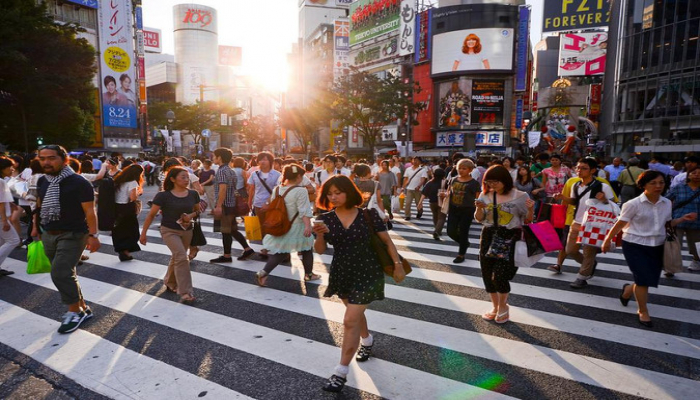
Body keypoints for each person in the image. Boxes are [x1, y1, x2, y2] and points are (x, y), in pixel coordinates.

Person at [313, 175, 405, 392]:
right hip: (342, 272)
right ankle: (367, 339)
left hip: (368, 272)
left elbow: (387, 241)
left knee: (349, 320)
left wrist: (397, 263)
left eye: (338, 192)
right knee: (354, 314)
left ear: (349, 192)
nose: (334, 197)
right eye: (330, 193)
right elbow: (319, 250)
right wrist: (319, 236)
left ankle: (340, 372)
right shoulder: (325, 218)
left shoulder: (368, 214)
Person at [602, 170, 697, 327]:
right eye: (653, 183)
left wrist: (681, 219)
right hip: (634, 244)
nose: (658, 186)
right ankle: (643, 311)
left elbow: (666, 224)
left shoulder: (666, 203)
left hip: (658, 245)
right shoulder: (632, 204)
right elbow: (619, 223)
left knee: (648, 278)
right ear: (643, 185)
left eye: (661, 182)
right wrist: (607, 239)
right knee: (644, 280)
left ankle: (627, 290)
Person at [31, 145, 100, 333]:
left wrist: (93, 235)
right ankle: (83, 307)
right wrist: (36, 227)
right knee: (66, 273)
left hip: (73, 234)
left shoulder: (79, 182)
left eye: (51, 158)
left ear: (64, 159)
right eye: (42, 158)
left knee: (60, 272)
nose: (46, 162)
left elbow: (89, 211)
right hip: (48, 233)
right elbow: (39, 205)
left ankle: (74, 311)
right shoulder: (42, 181)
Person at [474, 165, 535, 324]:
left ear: (505, 180)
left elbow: (528, 220)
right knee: (487, 273)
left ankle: (503, 306)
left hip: (509, 236)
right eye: (489, 182)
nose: (492, 185)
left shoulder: (520, 196)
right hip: (488, 235)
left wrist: (531, 210)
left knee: (500, 275)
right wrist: (479, 209)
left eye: (495, 182)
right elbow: (479, 218)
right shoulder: (485, 195)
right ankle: (495, 307)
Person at [140, 166, 200, 303]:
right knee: (182, 257)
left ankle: (169, 281)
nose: (186, 180)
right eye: (183, 177)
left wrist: (190, 215)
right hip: (169, 230)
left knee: (177, 257)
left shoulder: (193, 194)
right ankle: (185, 291)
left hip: (187, 230)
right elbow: (151, 215)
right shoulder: (163, 195)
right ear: (172, 179)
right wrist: (143, 233)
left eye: (187, 177)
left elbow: (198, 211)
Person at [554, 158, 616, 288]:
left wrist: (604, 199)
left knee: (589, 252)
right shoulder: (576, 185)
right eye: (578, 168)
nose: (579, 171)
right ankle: (589, 265)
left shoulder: (602, 186)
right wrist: (563, 198)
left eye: (583, 168)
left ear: (593, 170)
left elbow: (613, 205)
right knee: (570, 250)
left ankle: (582, 276)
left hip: (593, 224)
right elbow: (574, 201)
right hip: (576, 222)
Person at [254, 164, 320, 285]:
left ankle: (263, 272)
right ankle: (309, 274)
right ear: (299, 176)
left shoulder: (278, 189)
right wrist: (307, 226)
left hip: (282, 225)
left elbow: (273, 204)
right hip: (298, 226)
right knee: (306, 249)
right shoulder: (301, 191)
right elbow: (304, 210)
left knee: (282, 252)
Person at [210, 148, 255, 263]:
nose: (213, 158)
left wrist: (219, 206)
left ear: (219, 157)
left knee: (226, 231)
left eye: (214, 156)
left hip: (225, 205)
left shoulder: (221, 171)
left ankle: (227, 256)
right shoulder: (230, 170)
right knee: (232, 230)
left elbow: (223, 189)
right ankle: (247, 248)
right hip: (231, 203)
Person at [445, 159, 481, 262]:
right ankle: (464, 243)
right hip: (453, 208)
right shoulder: (453, 179)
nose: (461, 170)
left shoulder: (474, 183)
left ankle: (461, 254)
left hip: (468, 209)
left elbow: (478, 197)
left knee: (464, 231)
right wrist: (445, 195)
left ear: (470, 170)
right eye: (459, 168)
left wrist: (478, 208)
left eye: (464, 168)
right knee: (450, 231)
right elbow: (449, 192)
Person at [665, 168, 700, 272]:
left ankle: (696, 260)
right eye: (694, 173)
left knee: (695, 246)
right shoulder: (679, 187)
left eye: (699, 173)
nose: (697, 175)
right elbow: (666, 199)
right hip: (677, 220)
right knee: (673, 245)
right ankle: (670, 268)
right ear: (688, 175)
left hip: (696, 223)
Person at [112, 164, 143, 261]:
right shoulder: (132, 182)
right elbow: (133, 197)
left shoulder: (118, 180)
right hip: (127, 208)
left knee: (119, 230)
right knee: (131, 230)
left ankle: (122, 250)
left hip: (116, 208)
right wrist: (138, 192)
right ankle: (126, 251)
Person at [0, 157, 21, 276]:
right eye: (10, 166)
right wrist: (5, 221)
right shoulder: (1, 182)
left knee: (2, 241)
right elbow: (1, 202)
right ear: (2, 169)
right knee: (13, 240)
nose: (12, 169)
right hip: (1, 217)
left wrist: (9, 203)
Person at [418, 168, 446, 240]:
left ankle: (437, 230)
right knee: (442, 217)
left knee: (435, 215)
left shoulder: (430, 183)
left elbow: (424, 193)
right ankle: (437, 231)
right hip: (442, 202)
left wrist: (420, 202)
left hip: (432, 202)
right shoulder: (445, 182)